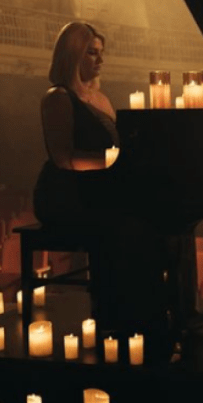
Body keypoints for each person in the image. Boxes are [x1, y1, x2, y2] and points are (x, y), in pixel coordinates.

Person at [33, 22, 193, 364]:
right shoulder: (58, 97)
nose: (100, 59)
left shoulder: (101, 98)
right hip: (65, 193)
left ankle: (157, 317)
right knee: (129, 230)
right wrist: (110, 161)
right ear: (73, 55)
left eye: (101, 52)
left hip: (99, 190)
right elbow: (62, 157)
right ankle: (124, 320)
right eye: (92, 52)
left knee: (161, 222)